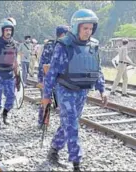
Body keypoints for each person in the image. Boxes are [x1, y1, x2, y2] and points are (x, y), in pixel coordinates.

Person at [41, 9, 108, 171]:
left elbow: (97, 69)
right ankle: (76, 163)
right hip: (66, 90)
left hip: (82, 92)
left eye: (91, 28)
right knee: (72, 125)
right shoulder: (64, 45)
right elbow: (52, 72)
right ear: (76, 27)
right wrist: (46, 96)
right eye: (85, 28)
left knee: (68, 123)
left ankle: (53, 151)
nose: (88, 32)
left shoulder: (93, 45)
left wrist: (102, 89)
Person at [37, 25, 68, 128]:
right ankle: (43, 122)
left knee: (62, 103)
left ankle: (63, 126)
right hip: (48, 78)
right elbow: (42, 63)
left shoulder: (67, 46)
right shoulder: (50, 46)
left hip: (62, 80)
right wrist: (41, 79)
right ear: (61, 35)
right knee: (46, 101)